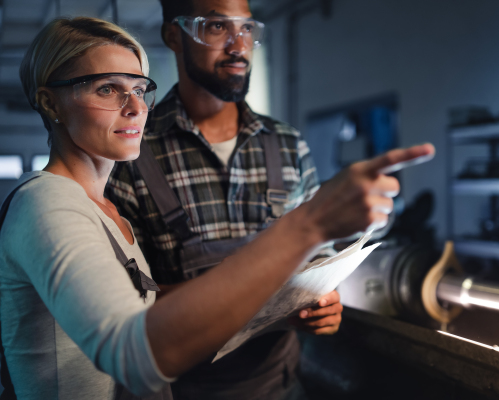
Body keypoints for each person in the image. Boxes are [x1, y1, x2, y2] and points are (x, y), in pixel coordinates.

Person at [0, 15, 433, 400]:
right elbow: (131, 353)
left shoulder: (106, 212)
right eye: (107, 89)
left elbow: (146, 308)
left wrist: (280, 312)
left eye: (139, 89)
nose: (135, 108)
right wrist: (308, 225)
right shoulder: (47, 204)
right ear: (49, 101)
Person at [104, 0, 342, 398]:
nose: (238, 45)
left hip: (280, 386)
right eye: (216, 27)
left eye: (247, 29)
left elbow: (321, 259)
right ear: (173, 36)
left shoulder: (287, 145)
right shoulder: (131, 155)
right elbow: (122, 304)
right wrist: (246, 289)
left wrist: (325, 303)